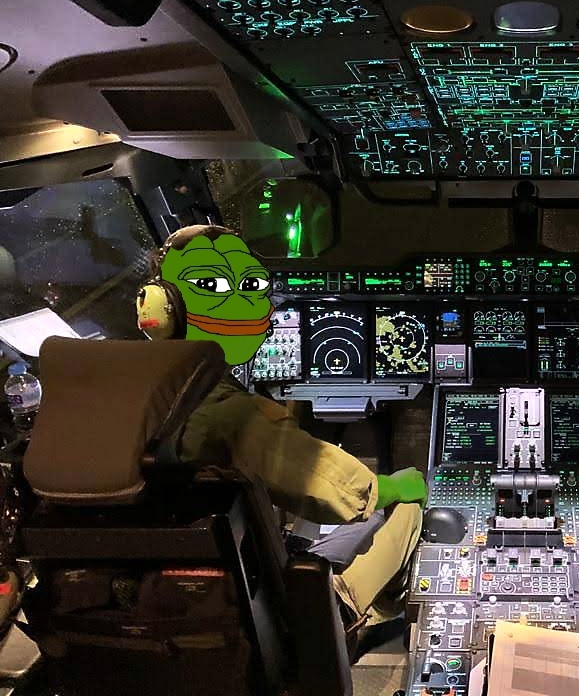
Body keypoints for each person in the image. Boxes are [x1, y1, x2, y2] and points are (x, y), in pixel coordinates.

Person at [137, 225, 426, 643]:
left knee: (358, 521)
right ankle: (352, 620)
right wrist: (396, 485)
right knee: (404, 510)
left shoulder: (117, 397)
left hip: (168, 594)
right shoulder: (231, 413)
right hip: (275, 609)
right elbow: (335, 491)